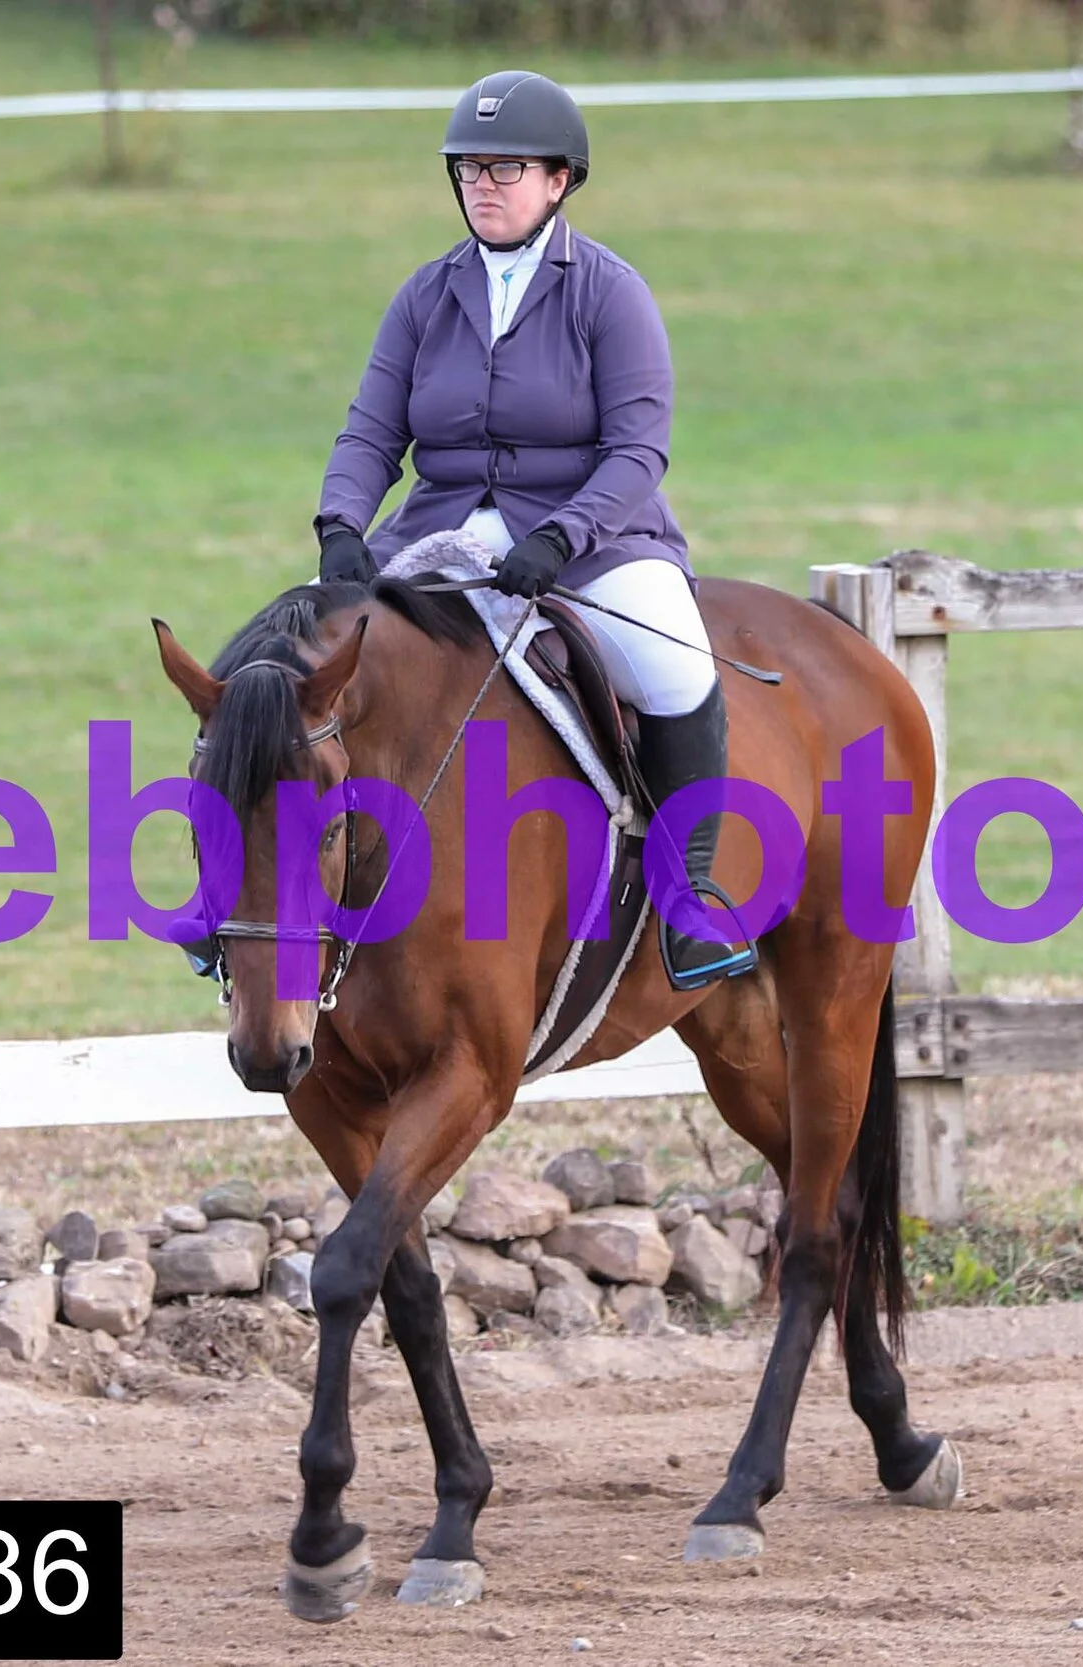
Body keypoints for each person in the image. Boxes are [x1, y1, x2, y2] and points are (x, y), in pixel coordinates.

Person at [313, 68, 755, 992]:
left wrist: (561, 537)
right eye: (469, 168)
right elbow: (369, 433)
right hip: (434, 533)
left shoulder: (610, 293)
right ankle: (248, 902)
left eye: (506, 168)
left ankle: (688, 901)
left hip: (591, 541)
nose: (483, 184)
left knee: (677, 666)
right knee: (294, 665)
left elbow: (638, 451)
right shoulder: (426, 296)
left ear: (559, 180)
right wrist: (342, 526)